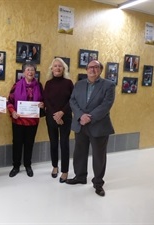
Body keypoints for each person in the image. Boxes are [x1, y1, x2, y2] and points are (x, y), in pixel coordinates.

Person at [66, 60, 116, 197]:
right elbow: (73, 101)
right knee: (79, 152)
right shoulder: (79, 84)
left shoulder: (109, 85)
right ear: (86, 69)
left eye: (96, 67)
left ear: (100, 70)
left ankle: (98, 183)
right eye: (90, 67)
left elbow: (106, 105)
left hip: (99, 126)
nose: (92, 70)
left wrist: (90, 117)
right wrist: (81, 115)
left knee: (99, 156)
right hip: (81, 124)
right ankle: (80, 177)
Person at [7, 62, 44, 178]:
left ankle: (28, 165)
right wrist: (12, 112)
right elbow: (9, 102)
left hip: (33, 121)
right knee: (17, 144)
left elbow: (43, 100)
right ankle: (16, 166)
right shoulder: (16, 85)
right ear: (23, 72)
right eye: (28, 70)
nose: (30, 72)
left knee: (29, 144)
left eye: (32, 70)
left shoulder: (39, 86)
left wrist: (42, 105)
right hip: (18, 121)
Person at [43, 58, 74, 183]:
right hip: (51, 117)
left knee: (64, 144)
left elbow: (72, 100)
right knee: (53, 143)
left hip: (65, 117)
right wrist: (55, 115)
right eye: (55, 66)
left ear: (64, 69)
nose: (57, 68)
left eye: (60, 66)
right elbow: (47, 101)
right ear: (52, 68)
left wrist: (61, 113)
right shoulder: (48, 83)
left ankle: (65, 171)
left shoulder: (69, 83)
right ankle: (55, 166)